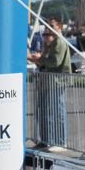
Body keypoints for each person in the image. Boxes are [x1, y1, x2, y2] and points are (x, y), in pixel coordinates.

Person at [28, 17, 70, 151]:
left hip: (57, 81)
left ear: (59, 27)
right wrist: (38, 58)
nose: (48, 29)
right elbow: (47, 61)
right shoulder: (51, 44)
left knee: (56, 111)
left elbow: (55, 62)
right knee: (45, 112)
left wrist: (41, 59)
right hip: (48, 81)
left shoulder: (59, 42)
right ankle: (46, 140)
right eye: (46, 27)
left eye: (51, 26)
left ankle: (60, 142)